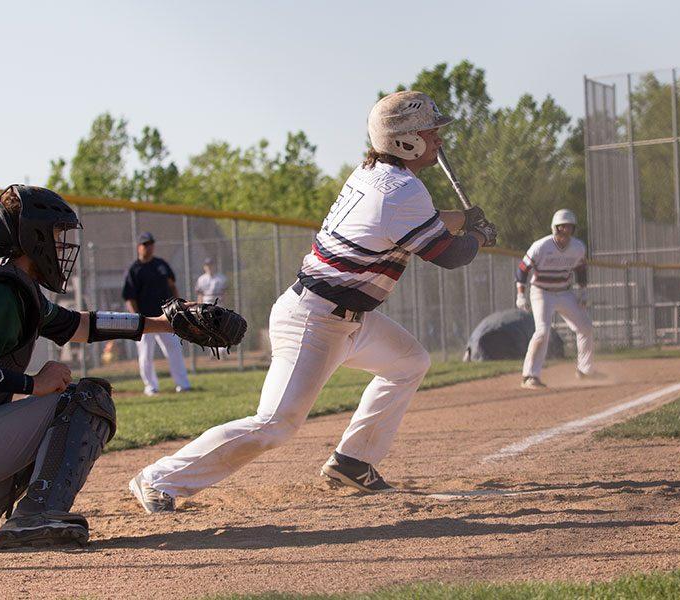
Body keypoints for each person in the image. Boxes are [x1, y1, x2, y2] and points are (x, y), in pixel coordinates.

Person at [129, 90, 497, 513]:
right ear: (405, 141)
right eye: (430, 133)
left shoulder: (375, 174)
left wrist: (465, 221)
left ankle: (353, 460)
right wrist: (479, 236)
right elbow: (450, 255)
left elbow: (422, 223)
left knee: (410, 362)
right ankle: (159, 479)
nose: (438, 140)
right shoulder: (402, 191)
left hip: (349, 320)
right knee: (275, 424)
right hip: (316, 320)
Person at [0, 185, 183, 550]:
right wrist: (31, 384)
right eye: (56, 235)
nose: (61, 246)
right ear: (32, 238)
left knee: (49, 421)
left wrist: (165, 322)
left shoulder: (13, 289)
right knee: (83, 400)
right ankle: (35, 515)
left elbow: (82, 324)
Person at [516, 209, 595, 390]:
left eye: (569, 228)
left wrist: (583, 292)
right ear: (554, 228)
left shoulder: (577, 247)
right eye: (562, 228)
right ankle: (529, 375)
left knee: (586, 327)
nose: (565, 232)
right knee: (542, 332)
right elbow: (522, 270)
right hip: (541, 292)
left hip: (563, 292)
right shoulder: (541, 246)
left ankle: (585, 370)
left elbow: (581, 270)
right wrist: (520, 294)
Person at [122, 232, 190, 395]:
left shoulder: (161, 265)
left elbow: (172, 285)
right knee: (145, 354)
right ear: (139, 247)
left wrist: (177, 305)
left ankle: (183, 384)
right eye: (145, 244)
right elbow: (129, 298)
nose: (149, 247)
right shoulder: (135, 270)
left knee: (174, 349)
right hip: (145, 319)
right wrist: (136, 317)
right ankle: (151, 386)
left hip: (166, 316)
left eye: (151, 243)